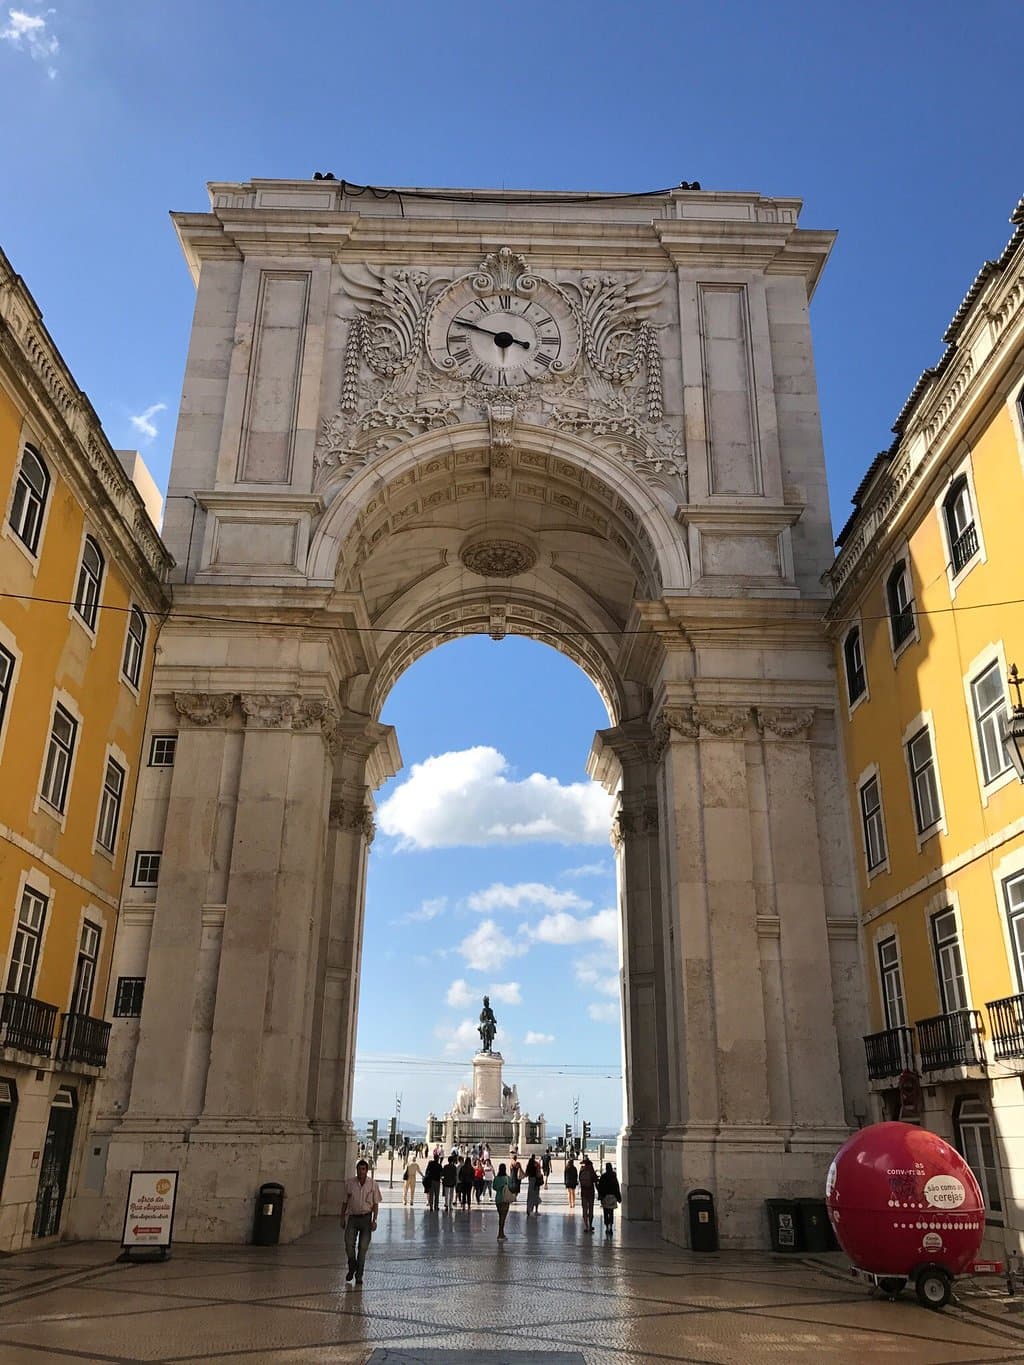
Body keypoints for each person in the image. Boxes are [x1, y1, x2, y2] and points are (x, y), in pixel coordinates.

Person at [339, 1158, 382, 1287]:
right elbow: (345, 1202)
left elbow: (375, 1204)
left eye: (363, 1169)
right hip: (353, 1218)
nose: (361, 1172)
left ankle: (359, 1276)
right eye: (359, 1169)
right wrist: (342, 1217)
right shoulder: (350, 1183)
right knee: (348, 1244)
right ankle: (352, 1265)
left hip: (366, 1218)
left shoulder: (373, 1184)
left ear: (367, 1171)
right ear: (356, 1170)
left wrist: (374, 1220)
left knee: (362, 1249)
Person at [597, 1161, 622, 1236]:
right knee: (611, 1213)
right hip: (612, 1197)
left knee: (605, 1212)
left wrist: (600, 1196)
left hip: (605, 1197)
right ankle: (611, 1226)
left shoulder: (603, 1176)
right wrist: (619, 1198)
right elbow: (616, 1188)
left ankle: (607, 1227)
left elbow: (600, 1187)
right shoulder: (614, 1177)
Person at [493, 1161, 513, 1240]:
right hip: (505, 1199)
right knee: (503, 1218)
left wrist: (499, 1188)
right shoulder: (508, 1178)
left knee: (500, 1216)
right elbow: (511, 1187)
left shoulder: (496, 1178)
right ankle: (500, 1234)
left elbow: (494, 1187)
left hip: (498, 1199)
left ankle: (501, 1233)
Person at [578, 1154, 598, 1232]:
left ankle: (586, 1226)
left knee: (584, 1209)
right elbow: (595, 1181)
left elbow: (580, 1181)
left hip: (584, 1192)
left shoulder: (581, 1170)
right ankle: (590, 1225)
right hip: (590, 1192)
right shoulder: (591, 1171)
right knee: (591, 1209)